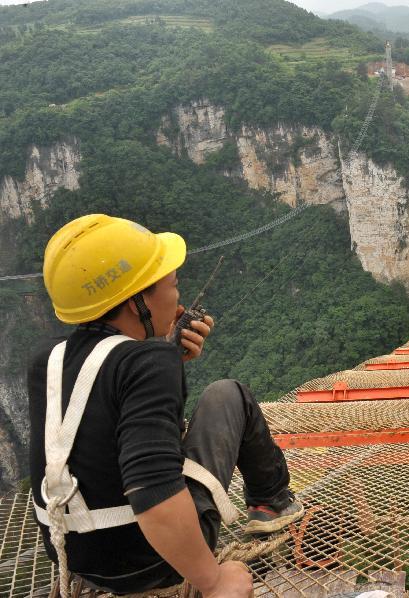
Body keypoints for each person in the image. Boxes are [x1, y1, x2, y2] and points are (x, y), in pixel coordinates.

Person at [29, 214, 304, 597]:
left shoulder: (47, 360)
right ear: (137, 299)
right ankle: (271, 501)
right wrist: (214, 582)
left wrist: (167, 351)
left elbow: (99, 425)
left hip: (77, 558)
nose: (177, 297)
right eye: (172, 285)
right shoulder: (149, 363)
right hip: (155, 562)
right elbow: (152, 494)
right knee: (229, 394)